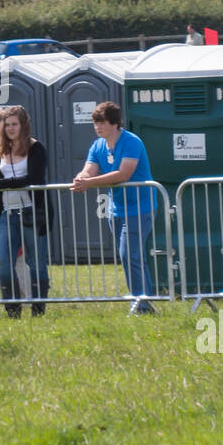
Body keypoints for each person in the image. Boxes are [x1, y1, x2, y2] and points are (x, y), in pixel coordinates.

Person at [70, 101, 158, 314]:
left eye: (102, 123)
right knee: (132, 257)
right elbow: (88, 170)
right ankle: (144, 302)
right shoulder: (98, 145)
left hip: (141, 206)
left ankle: (140, 306)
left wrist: (89, 183)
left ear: (116, 123)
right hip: (117, 208)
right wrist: (81, 178)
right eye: (95, 123)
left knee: (129, 254)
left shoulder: (131, 142)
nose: (97, 127)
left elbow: (123, 174)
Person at [0, 105, 51, 317]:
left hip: (32, 213)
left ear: (23, 125)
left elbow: (33, 179)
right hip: (6, 215)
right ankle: (13, 311)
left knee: (36, 264)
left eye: (14, 124)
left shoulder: (36, 148)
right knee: (3, 263)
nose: (10, 128)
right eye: (7, 125)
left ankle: (38, 310)